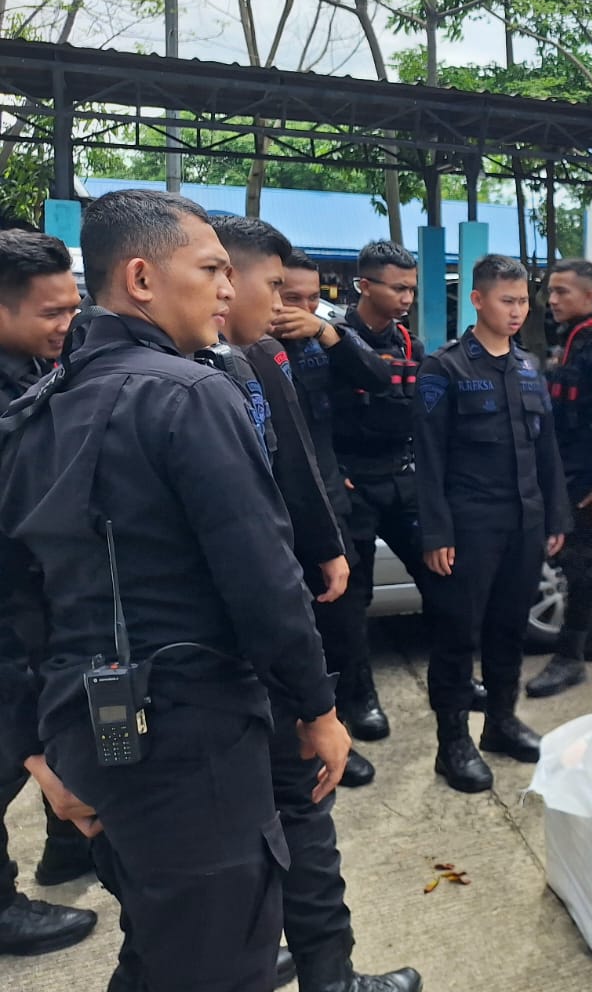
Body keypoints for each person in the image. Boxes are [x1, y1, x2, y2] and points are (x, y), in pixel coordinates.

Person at [0, 189, 348, 992]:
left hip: (94, 729)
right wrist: (316, 708)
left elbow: (16, 601)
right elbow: (264, 582)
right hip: (190, 738)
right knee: (216, 956)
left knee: (160, 940)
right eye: (211, 269)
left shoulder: (35, 409)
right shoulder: (190, 394)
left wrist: (38, 746)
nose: (228, 288)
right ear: (141, 278)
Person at [211, 217, 421, 992]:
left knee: (335, 633)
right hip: (230, 619)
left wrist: (327, 536)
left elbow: (315, 443)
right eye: (276, 291)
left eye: (296, 296)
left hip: (315, 532)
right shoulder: (193, 375)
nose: (285, 308)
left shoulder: (284, 352)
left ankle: (324, 969)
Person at [413, 255, 570, 794]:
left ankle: (501, 722)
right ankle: (452, 742)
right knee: (457, 634)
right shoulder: (445, 368)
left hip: (524, 522)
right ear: (477, 300)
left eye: (523, 301)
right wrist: (436, 532)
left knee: (509, 628)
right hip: (469, 526)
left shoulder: (528, 367)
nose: (517, 310)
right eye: (507, 301)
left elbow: (546, 449)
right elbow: (428, 457)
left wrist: (555, 515)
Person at [0, 230, 97, 956]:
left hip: (42, 603)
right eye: (51, 313)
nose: (68, 325)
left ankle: (67, 848)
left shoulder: (38, 366)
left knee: (58, 730)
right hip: (8, 606)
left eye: (73, 308)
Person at [272, 249, 400, 788]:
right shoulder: (244, 350)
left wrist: (327, 333)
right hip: (276, 513)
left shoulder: (323, 341)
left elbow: (378, 377)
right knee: (289, 632)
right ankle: (302, 744)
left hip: (329, 503)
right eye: (289, 297)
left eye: (311, 298)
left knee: (343, 618)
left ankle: (344, 718)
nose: (300, 309)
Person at [330, 241, 430, 743]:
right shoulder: (330, 341)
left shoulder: (412, 345)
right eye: (398, 288)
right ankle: (360, 696)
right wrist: (333, 471)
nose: (407, 297)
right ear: (365, 285)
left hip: (402, 477)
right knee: (354, 598)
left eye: (412, 288)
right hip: (354, 482)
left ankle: (455, 676)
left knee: (444, 577)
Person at [525, 259, 592, 698]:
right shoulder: (569, 339)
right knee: (585, 554)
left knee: (577, 561)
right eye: (551, 291)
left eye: (562, 292)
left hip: (587, 476)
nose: (552, 299)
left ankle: (570, 657)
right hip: (563, 468)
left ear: (589, 296)